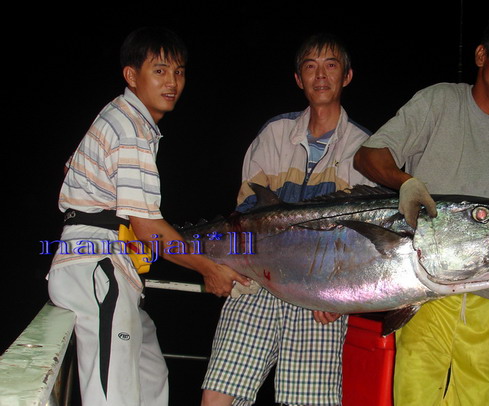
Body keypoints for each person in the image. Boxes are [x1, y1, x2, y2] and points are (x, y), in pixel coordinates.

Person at [353, 12, 489, 406]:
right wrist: (406, 183)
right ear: (482, 55)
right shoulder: (439, 101)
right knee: (415, 398)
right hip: (424, 287)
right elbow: (368, 156)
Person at [46, 27, 247, 406]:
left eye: (179, 71)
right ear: (131, 75)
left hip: (112, 267)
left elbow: (69, 168)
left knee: (151, 374)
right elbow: (149, 227)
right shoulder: (131, 129)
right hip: (96, 267)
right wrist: (209, 268)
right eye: (159, 70)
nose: (172, 82)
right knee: (113, 396)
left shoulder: (119, 118)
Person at [201, 33, 374, 406]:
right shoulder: (275, 133)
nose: (320, 75)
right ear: (299, 79)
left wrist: (341, 299)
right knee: (219, 394)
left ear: (347, 76)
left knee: (308, 401)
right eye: (310, 66)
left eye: (331, 65)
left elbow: (363, 242)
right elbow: (245, 211)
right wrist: (218, 262)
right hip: (257, 281)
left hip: (321, 297)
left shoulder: (365, 148)